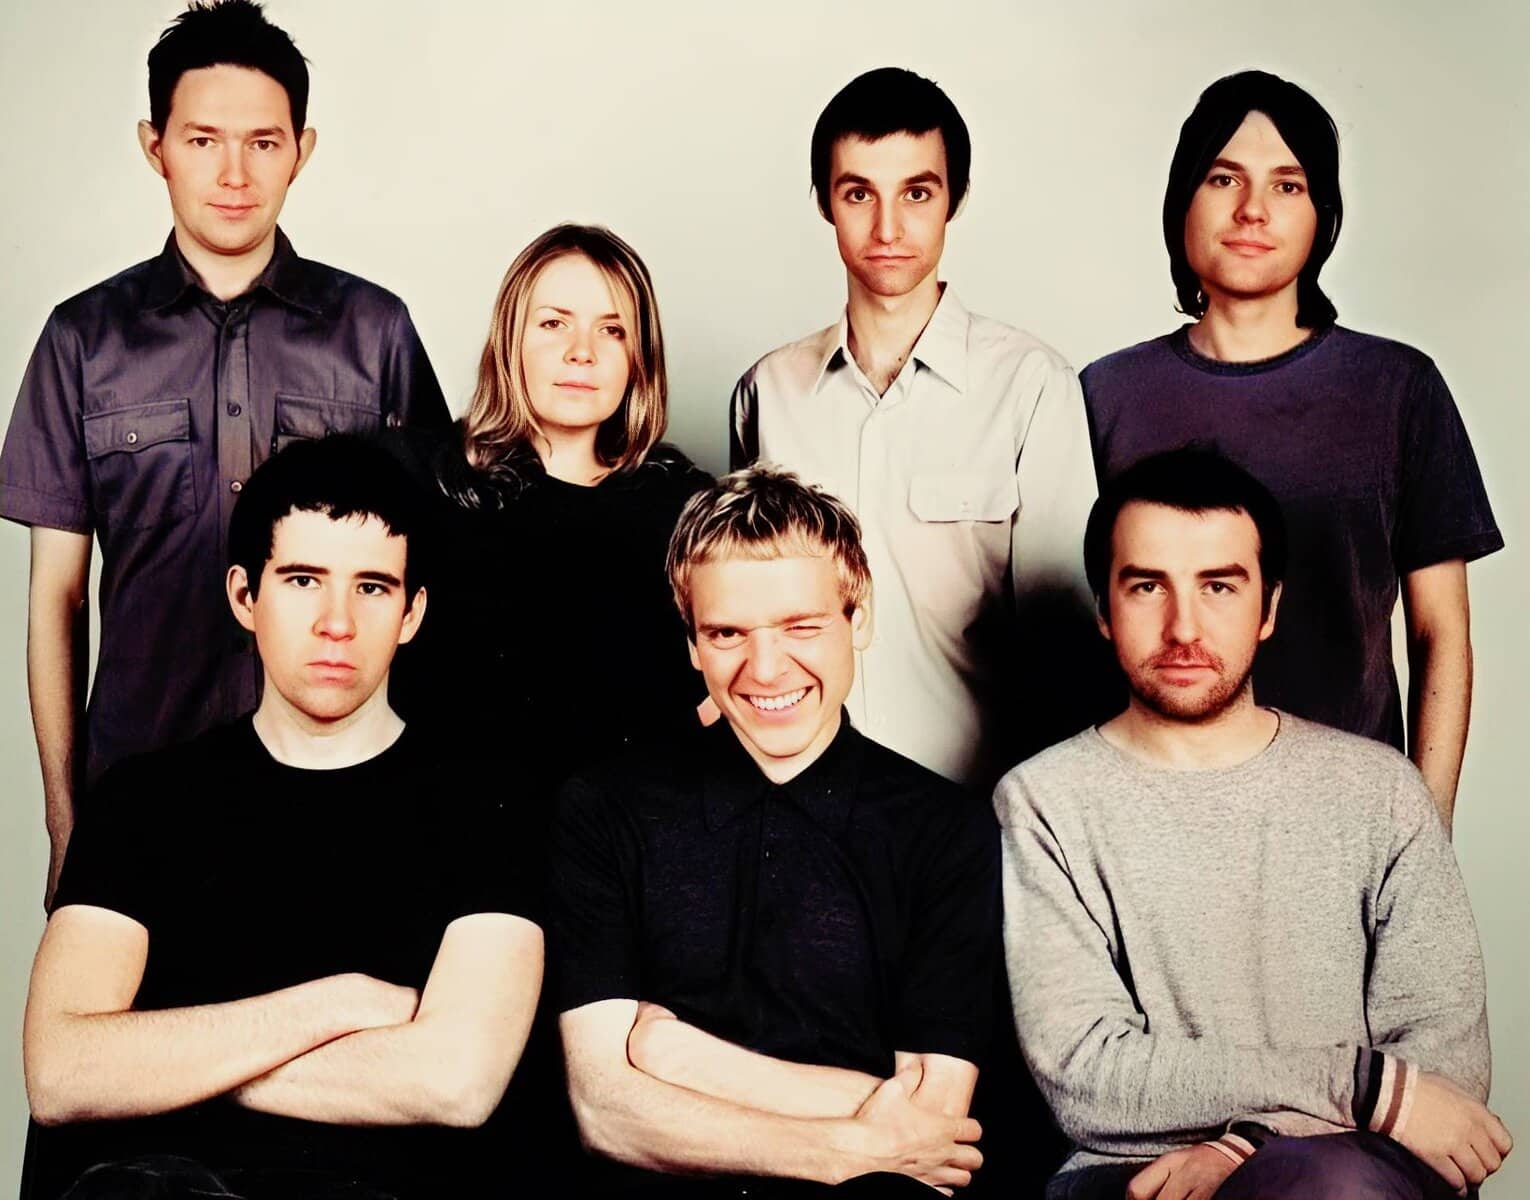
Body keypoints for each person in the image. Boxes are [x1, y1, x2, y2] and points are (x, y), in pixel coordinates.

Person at [0, 0, 450, 908]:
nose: (235, 173)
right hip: (143, 783)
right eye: (203, 140)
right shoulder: (82, 340)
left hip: (343, 790)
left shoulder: (375, 331)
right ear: (153, 144)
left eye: (264, 142)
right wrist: (65, 823)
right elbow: (57, 598)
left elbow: (425, 576)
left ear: (303, 150)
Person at [19, 436, 542, 1200]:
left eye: (372, 587)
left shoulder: (489, 806)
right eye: (302, 580)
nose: (337, 622)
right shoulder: (144, 800)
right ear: (244, 596)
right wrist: (339, 1004)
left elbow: (456, 1081)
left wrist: (165, 1059)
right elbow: (60, 1072)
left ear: (412, 613)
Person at [995, 447, 1512, 1200]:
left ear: (1268, 608)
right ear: (1104, 611)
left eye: (1219, 586)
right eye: (1147, 586)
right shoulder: (1044, 802)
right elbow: (1088, 1077)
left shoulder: (1379, 791)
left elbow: (1447, 1070)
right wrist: (1357, 1086)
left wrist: (1252, 1145)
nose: (1183, 627)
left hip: (1358, 1172)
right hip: (1134, 1176)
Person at [549, 466, 999, 1197]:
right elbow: (605, 1111)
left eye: (800, 627)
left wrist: (676, 1057)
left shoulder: (946, 829)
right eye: (726, 632)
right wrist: (842, 1145)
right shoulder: (603, 808)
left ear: (858, 620)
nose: (764, 669)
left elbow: (932, 1119)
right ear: (692, 644)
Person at [1081, 69, 1501, 829]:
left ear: (1322, 215)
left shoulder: (1397, 387)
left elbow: (1441, 631)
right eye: (1224, 178)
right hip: (1151, 815)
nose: (1251, 211)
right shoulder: (1105, 394)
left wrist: (1425, 830)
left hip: (1346, 815)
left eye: (1287, 186)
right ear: (1183, 201)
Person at [729, 67, 1099, 791]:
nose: (888, 228)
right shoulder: (767, 392)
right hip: (803, 814)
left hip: (978, 815)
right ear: (825, 203)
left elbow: (1065, 649)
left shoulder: (1031, 386)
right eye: (858, 193)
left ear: (953, 200)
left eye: (917, 193)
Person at [389, 223, 711, 804]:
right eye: (553, 323)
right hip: (458, 835)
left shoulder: (685, 508)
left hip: (629, 842)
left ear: (640, 357)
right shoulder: (424, 480)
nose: (580, 352)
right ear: (510, 341)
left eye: (611, 330)